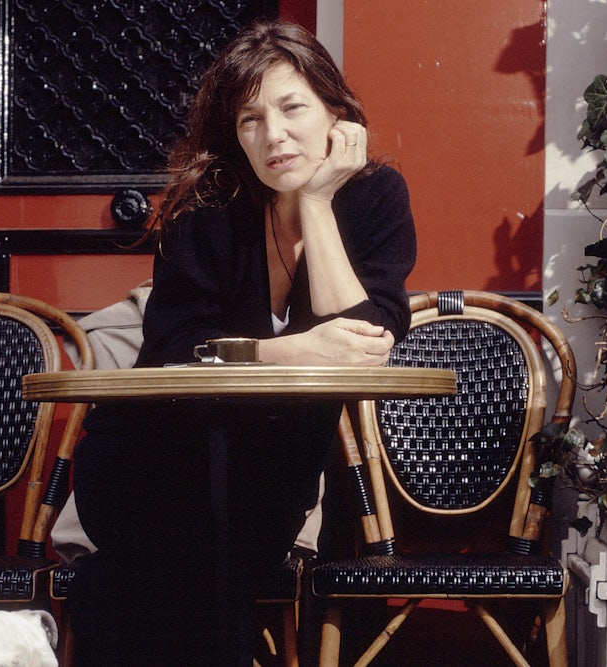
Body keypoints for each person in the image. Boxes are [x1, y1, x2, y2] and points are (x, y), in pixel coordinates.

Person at [67, 19, 416, 666]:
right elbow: (176, 345)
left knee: (202, 552)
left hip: (272, 465)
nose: (273, 135)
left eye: (292, 108)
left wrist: (315, 199)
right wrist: (292, 350)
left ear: (336, 113)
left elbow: (371, 335)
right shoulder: (209, 206)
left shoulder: (375, 198)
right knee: (189, 539)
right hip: (151, 454)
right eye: (250, 118)